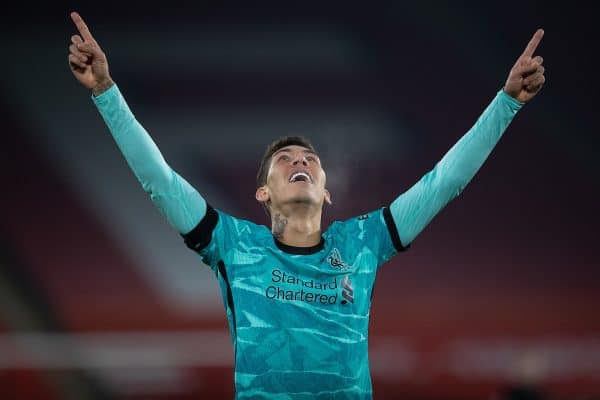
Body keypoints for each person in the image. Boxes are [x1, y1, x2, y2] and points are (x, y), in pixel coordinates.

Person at [67, 11, 545, 399]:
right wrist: (106, 93)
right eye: (285, 160)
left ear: (326, 191)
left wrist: (506, 102)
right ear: (264, 193)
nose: (301, 161)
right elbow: (160, 181)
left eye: (310, 159)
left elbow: (444, 183)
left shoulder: (363, 242)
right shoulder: (232, 245)